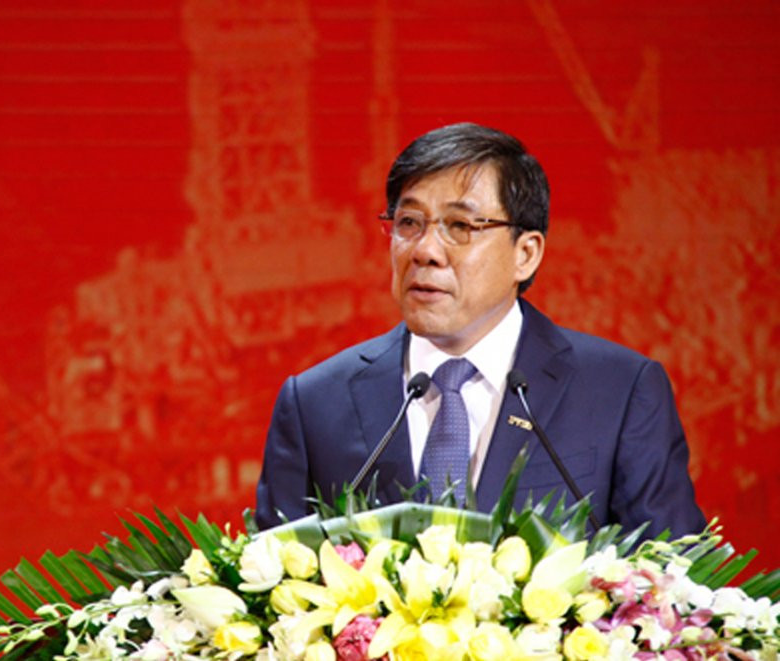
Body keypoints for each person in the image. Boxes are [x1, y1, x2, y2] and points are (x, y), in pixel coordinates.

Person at [254, 122, 705, 538]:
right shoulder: (316, 403)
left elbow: (672, 580)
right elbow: (274, 577)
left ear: (525, 254)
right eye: (409, 223)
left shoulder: (618, 393)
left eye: (460, 226)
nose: (425, 251)